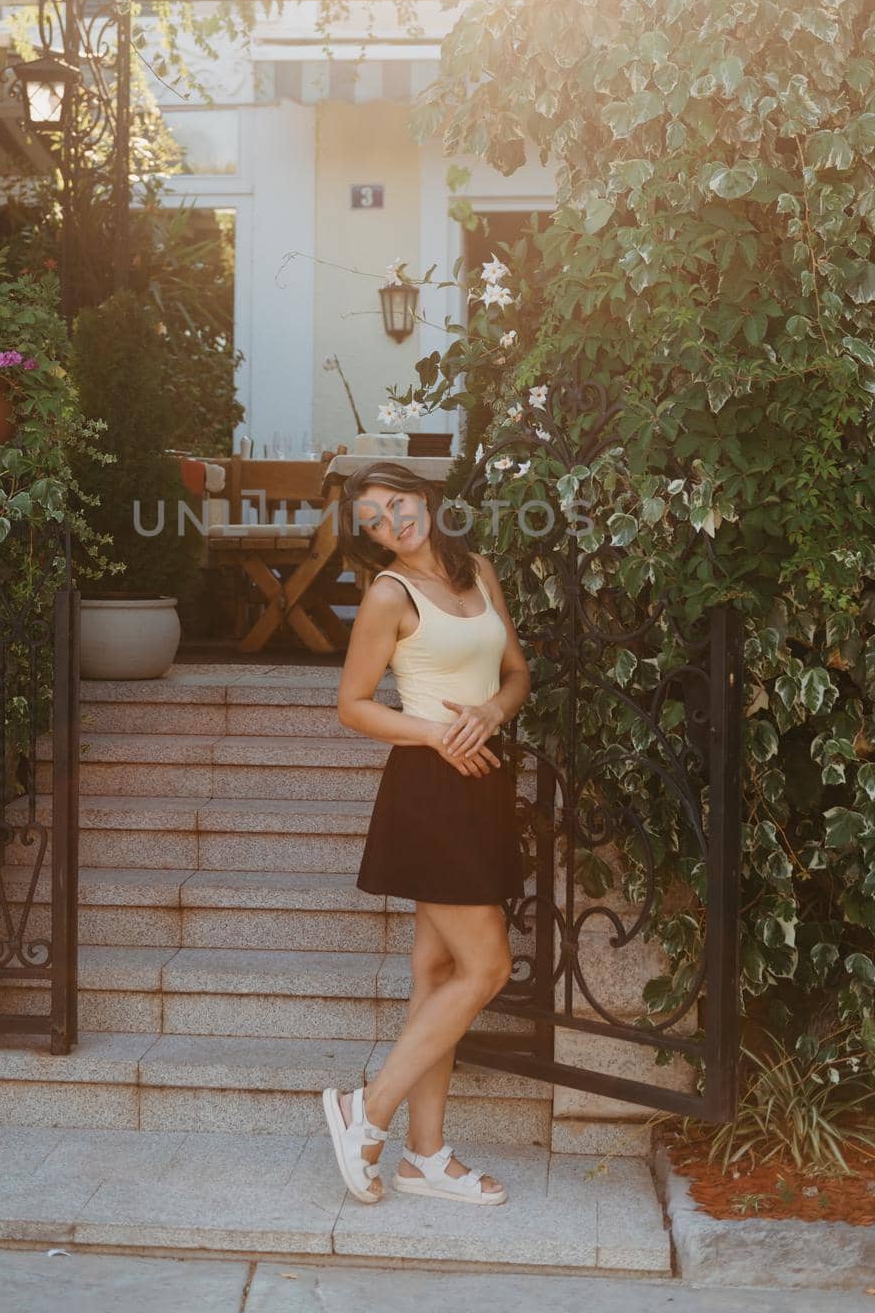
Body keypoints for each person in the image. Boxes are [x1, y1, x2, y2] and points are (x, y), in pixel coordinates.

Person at [321, 460, 531, 1207]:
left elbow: (515, 672)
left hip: (485, 784)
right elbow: (352, 704)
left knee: (441, 976)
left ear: (425, 498)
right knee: (489, 968)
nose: (391, 521)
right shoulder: (389, 593)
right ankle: (367, 1111)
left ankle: (425, 1158)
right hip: (431, 790)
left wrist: (492, 716)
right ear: (371, 539)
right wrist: (439, 734)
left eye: (396, 502)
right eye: (373, 519)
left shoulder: (477, 569)